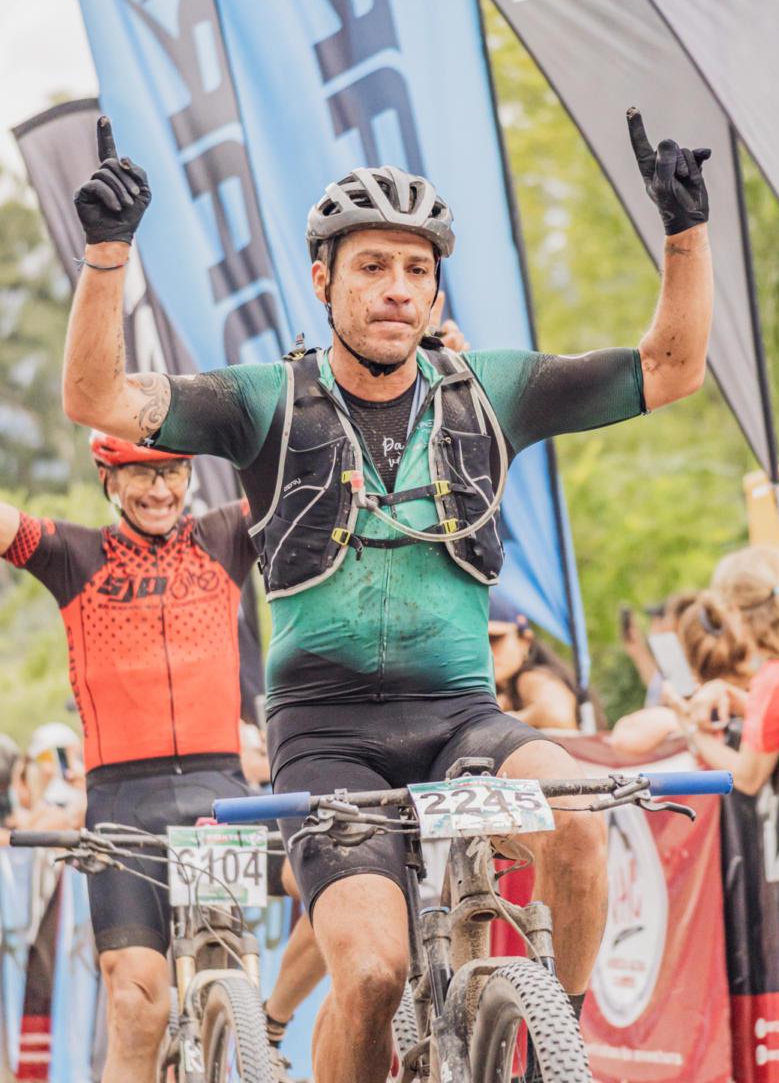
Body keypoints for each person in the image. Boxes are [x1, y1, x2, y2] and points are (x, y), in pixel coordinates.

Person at [62, 109, 713, 1083]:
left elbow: (670, 369)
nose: (397, 288)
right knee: (370, 975)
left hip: (462, 719)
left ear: (436, 288)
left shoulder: (488, 390)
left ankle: (553, 1044)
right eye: (371, 266)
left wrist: (684, 234)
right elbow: (99, 400)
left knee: (576, 816)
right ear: (321, 281)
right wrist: (108, 255)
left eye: (416, 269)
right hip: (324, 737)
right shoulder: (262, 401)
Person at [0, 434, 322, 1081]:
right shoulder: (74, 554)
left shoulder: (223, 536)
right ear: (108, 480)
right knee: (136, 1003)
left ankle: (271, 1021)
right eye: (140, 475)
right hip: (125, 803)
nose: (159, 489)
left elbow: (307, 474)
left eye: (172, 472)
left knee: (338, 892)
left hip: (222, 796)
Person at [671, 548, 779, 796]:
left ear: (735, 612)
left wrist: (691, 729)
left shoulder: (775, 677)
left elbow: (747, 777)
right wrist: (732, 696)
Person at [489, 595, 581, 730]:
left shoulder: (531, 678)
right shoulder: (499, 690)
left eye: (495, 639)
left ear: (525, 642)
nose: (487, 651)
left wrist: (499, 720)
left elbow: (557, 714)